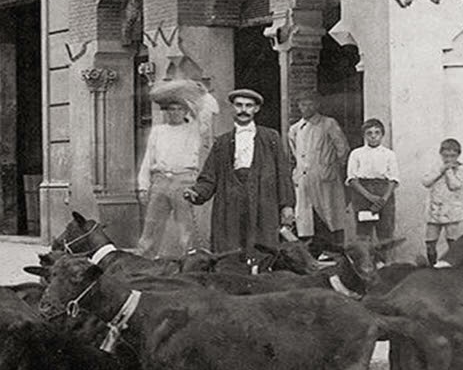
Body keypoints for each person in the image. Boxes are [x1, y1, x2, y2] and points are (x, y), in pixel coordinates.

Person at [184, 89, 295, 256]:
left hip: (262, 201)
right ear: (232, 108)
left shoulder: (271, 138)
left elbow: (282, 173)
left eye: (249, 106)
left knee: (262, 251)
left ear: (256, 109)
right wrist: (197, 192)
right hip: (230, 203)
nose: (243, 110)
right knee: (230, 251)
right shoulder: (221, 143)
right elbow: (209, 177)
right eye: (239, 105)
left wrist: (287, 205)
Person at [135, 98, 205, 258]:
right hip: (161, 180)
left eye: (179, 109)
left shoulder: (193, 129)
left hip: (184, 180)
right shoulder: (158, 131)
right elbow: (148, 158)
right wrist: (143, 185)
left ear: (186, 112)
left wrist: (193, 94)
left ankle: (191, 263)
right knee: (151, 225)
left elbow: (203, 111)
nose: (174, 113)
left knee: (185, 228)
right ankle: (143, 261)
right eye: (171, 109)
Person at [287, 92, 349, 257]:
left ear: (317, 105)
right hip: (305, 179)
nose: (306, 108)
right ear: (298, 106)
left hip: (325, 178)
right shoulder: (295, 129)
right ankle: (310, 254)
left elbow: (342, 148)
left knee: (329, 214)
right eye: (303, 104)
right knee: (305, 217)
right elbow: (296, 154)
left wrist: (331, 168)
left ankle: (333, 252)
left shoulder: (328, 124)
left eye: (310, 104)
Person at [346, 118, 399, 255]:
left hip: (384, 193)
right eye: (369, 133)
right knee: (364, 233)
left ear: (382, 135)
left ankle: (385, 265)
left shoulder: (389, 154)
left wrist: (383, 199)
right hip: (362, 194)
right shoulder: (356, 154)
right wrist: (369, 196)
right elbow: (352, 179)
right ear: (364, 135)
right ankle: (367, 264)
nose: (373, 136)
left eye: (377, 132)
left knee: (385, 232)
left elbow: (393, 179)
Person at [421, 138, 463, 265]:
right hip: (435, 209)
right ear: (441, 154)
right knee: (430, 242)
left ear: (458, 155)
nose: (449, 159)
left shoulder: (461, 169)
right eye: (446, 155)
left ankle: (453, 268)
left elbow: (454, 186)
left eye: (452, 156)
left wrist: (449, 171)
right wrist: (441, 170)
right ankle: (432, 266)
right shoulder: (435, 167)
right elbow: (426, 182)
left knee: (453, 242)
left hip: (452, 209)